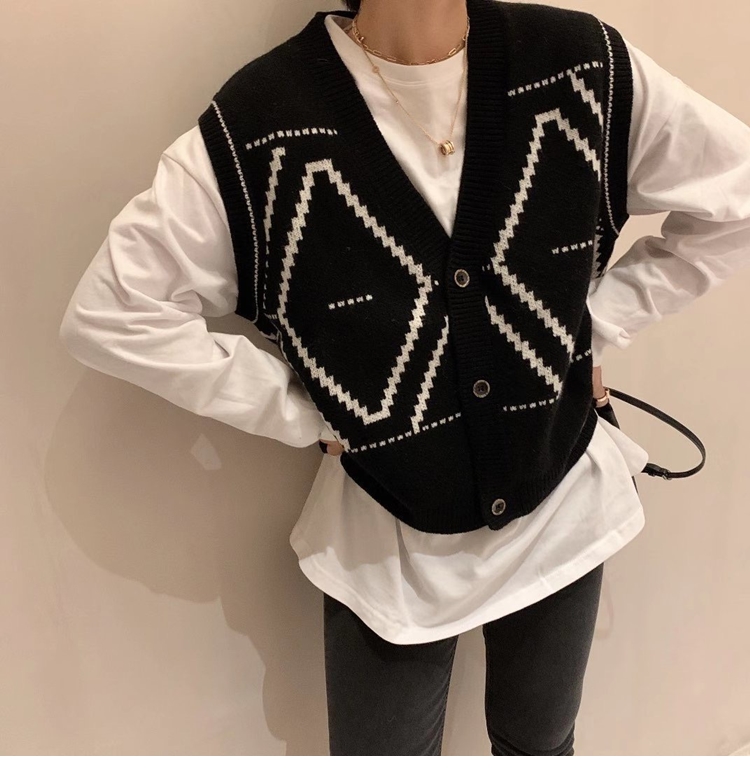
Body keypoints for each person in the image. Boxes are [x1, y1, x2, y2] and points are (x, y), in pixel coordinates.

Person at [59, 0, 750, 756]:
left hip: (563, 507)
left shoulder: (579, 65)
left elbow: (736, 193)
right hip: (388, 545)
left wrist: (587, 331)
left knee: (542, 748)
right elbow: (113, 311)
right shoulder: (262, 125)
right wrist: (304, 410)